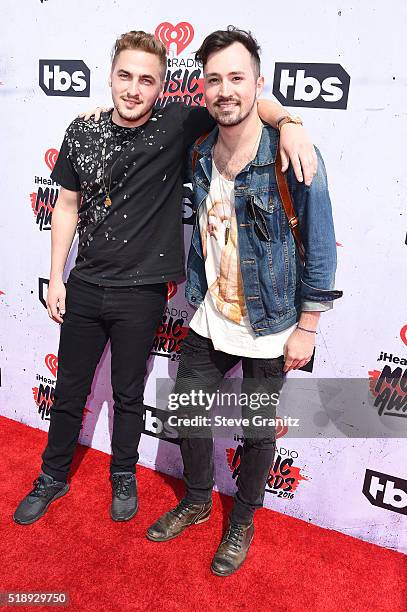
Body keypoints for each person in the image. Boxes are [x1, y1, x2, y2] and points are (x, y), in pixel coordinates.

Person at [13, 29, 317, 526]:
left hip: (144, 292)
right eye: (125, 76)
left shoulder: (179, 123)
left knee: (130, 394)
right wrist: (56, 277)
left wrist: (290, 121)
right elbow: (65, 205)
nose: (133, 89)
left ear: (162, 87)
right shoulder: (81, 130)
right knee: (69, 390)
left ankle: (123, 474)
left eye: (146, 80)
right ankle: (52, 476)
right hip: (85, 285)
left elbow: (238, 108)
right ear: (109, 77)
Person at [146, 27, 342, 576]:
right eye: (214, 79)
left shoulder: (291, 154)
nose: (225, 89)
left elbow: (322, 246)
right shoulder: (202, 152)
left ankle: (244, 519)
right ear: (202, 89)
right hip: (212, 313)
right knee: (186, 413)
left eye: (238, 77)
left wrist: (307, 326)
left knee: (257, 431)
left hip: (274, 323)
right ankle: (199, 499)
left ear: (259, 83)